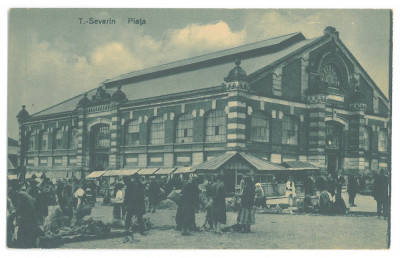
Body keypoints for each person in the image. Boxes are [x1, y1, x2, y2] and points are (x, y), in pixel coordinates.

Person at [9, 183, 41, 248]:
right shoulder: (25, 194)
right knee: (30, 230)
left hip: (27, 216)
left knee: (22, 231)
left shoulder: (20, 195)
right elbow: (33, 202)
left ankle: (21, 246)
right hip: (32, 215)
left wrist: (15, 214)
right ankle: (31, 244)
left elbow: (19, 207)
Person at [123, 174, 147, 243]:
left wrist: (126, 204)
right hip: (136, 204)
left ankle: (127, 229)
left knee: (130, 217)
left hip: (133, 204)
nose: (124, 182)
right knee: (138, 217)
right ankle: (141, 230)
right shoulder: (133, 184)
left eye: (124, 181)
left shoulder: (131, 185)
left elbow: (128, 196)